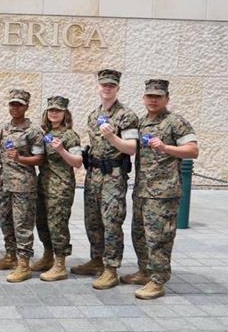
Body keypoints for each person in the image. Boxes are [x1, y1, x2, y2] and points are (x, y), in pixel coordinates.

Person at [126, 79, 198, 299]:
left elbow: (192, 150)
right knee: (139, 234)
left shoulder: (175, 122)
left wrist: (166, 147)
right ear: (144, 98)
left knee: (159, 238)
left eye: (158, 96)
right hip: (142, 190)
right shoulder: (140, 123)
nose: (153, 100)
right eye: (150, 96)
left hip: (164, 194)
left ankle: (158, 281)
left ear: (167, 98)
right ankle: (145, 271)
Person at [74, 69, 139, 290]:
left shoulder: (126, 115)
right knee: (92, 220)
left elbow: (131, 148)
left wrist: (111, 136)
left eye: (111, 85)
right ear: (98, 87)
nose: (107, 88)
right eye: (104, 85)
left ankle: (111, 269)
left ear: (117, 88)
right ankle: (96, 260)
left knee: (111, 222)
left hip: (113, 176)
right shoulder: (94, 115)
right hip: (94, 175)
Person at [0, 89, 44, 283]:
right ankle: (10, 256)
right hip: (5, 182)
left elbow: (39, 158)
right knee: (6, 221)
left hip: (23, 184)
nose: (15, 108)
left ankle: (24, 264)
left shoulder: (33, 131)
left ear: (26, 107)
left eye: (19, 105)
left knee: (22, 224)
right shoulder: (5, 128)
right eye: (12, 104)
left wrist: (20, 158)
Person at [34, 96, 83, 281]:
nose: (54, 113)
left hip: (60, 187)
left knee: (58, 225)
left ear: (65, 113)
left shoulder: (69, 135)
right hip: (44, 185)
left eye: (58, 111)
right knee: (42, 222)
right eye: (51, 110)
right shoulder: (45, 133)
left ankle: (60, 264)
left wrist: (62, 150)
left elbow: (78, 162)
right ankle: (48, 256)